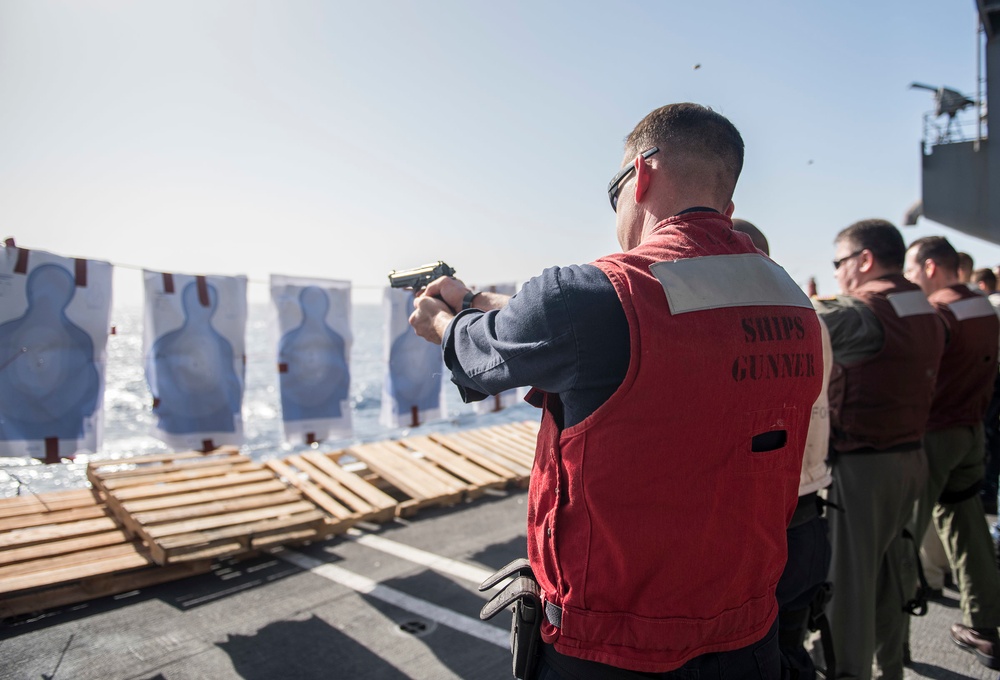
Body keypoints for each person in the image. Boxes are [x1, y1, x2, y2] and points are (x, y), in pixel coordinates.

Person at [409, 103, 824, 676]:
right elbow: (636, 327)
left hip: (610, 646)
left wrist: (439, 320)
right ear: (727, 205)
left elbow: (486, 353)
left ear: (642, 173)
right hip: (747, 633)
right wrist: (478, 299)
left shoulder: (590, 296)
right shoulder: (793, 304)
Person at [812, 219, 944, 680]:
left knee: (849, 588)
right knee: (892, 575)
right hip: (911, 457)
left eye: (839, 264)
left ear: (863, 260)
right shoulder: (922, 304)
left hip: (863, 466)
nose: (837, 275)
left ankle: (848, 672)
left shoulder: (862, 310)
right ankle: (891, 665)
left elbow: (800, 327)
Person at [733, 219, 833, 678]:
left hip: (758, 528)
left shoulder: (731, 321)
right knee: (793, 648)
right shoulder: (806, 314)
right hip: (809, 515)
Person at [902, 236, 1000, 670]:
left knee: (903, 535)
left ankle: (895, 634)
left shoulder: (938, 312)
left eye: (907, 269)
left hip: (935, 435)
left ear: (928, 267)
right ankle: (984, 624)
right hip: (972, 431)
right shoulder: (983, 306)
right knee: (967, 526)